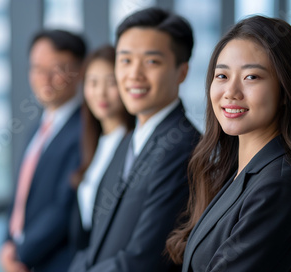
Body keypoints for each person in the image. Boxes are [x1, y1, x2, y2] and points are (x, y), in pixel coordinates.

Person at [166, 16, 291, 271]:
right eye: (222, 76)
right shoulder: (240, 173)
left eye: (251, 77)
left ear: (286, 91)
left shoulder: (278, 185)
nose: (231, 92)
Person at [69, 7, 200, 272]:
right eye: (125, 60)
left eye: (151, 62)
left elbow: (145, 259)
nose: (134, 75)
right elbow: (96, 240)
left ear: (182, 72)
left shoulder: (183, 146)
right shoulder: (127, 141)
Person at [0, 29, 86, 272]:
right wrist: (7, 243)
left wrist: (20, 254)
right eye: (37, 68)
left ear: (80, 72)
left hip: (54, 263)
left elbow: (63, 207)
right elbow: (20, 196)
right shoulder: (37, 129)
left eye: (57, 69)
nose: (44, 78)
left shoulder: (85, 132)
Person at [68, 45, 135, 255]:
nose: (100, 93)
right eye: (93, 82)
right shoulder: (93, 143)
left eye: (111, 82)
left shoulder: (134, 145)